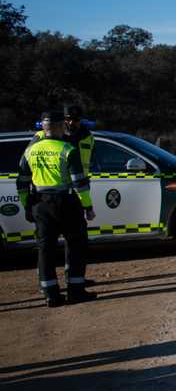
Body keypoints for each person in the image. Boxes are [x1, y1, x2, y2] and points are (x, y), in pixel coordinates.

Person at [17, 110, 98, 307]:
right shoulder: (68, 149)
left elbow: (21, 182)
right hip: (67, 203)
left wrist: (27, 205)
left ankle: (50, 295)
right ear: (60, 127)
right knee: (76, 246)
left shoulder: (30, 150)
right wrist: (88, 206)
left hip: (40, 204)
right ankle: (75, 291)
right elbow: (79, 183)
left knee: (45, 249)